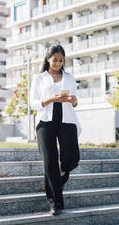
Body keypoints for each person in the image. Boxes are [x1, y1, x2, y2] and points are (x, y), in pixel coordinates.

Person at [30, 44, 81, 215]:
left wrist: (73, 100)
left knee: (72, 158)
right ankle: (55, 203)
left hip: (67, 119)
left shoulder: (69, 77)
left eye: (61, 60)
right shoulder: (39, 78)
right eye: (55, 60)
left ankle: (59, 178)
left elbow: (75, 102)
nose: (58, 63)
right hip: (46, 121)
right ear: (47, 59)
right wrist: (50, 99)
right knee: (50, 160)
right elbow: (33, 103)